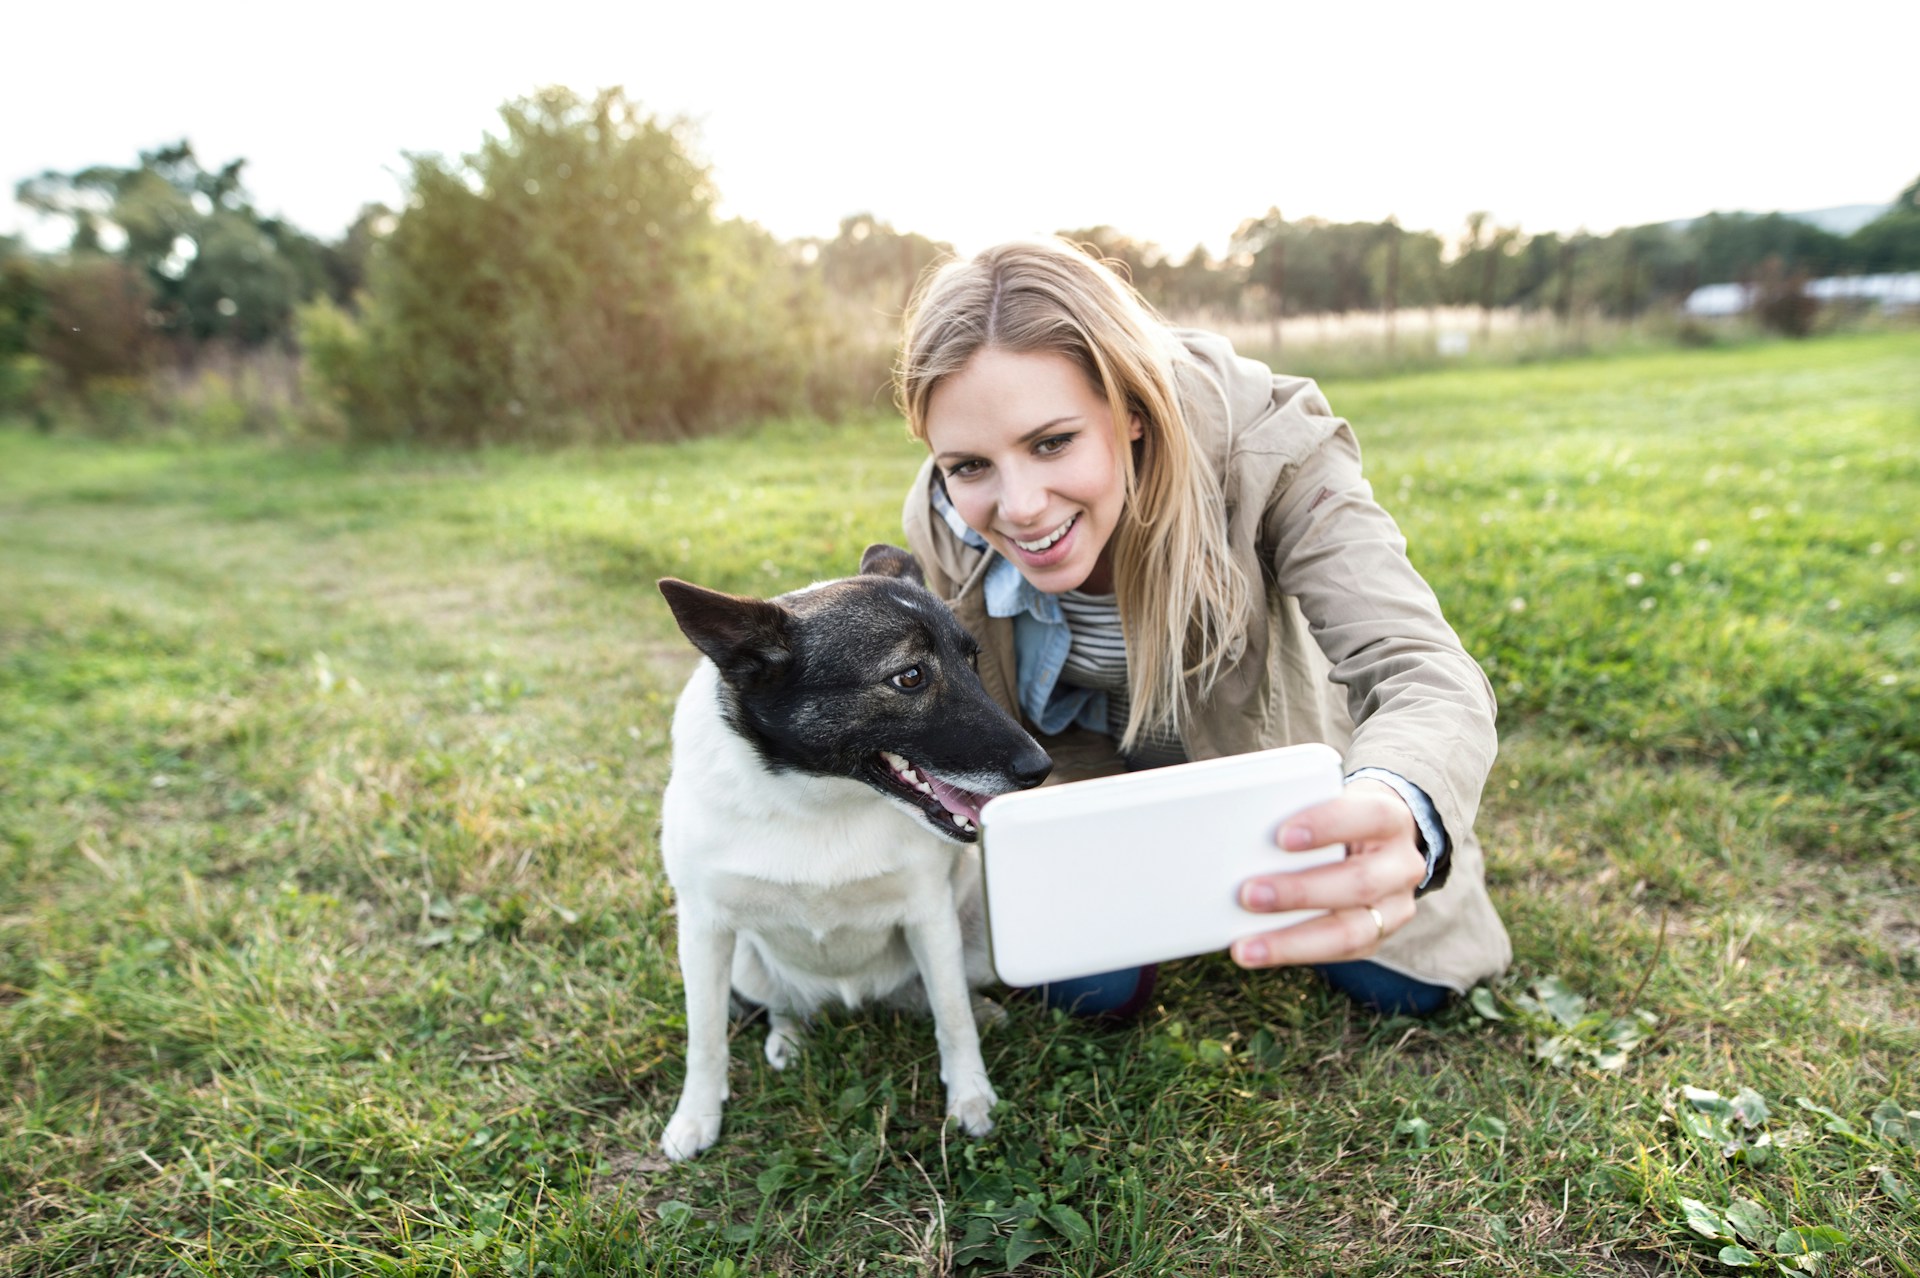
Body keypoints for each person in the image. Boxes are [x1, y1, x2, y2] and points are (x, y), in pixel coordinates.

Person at [894, 239, 1511, 1018]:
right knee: (1084, 988)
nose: (1018, 506)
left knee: (1405, 984)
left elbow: (1423, 668)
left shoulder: (1275, 449)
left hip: (1262, 752)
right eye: (970, 465)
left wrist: (1399, 798)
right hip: (1079, 773)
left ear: (1133, 415)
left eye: (1053, 443)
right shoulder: (944, 519)